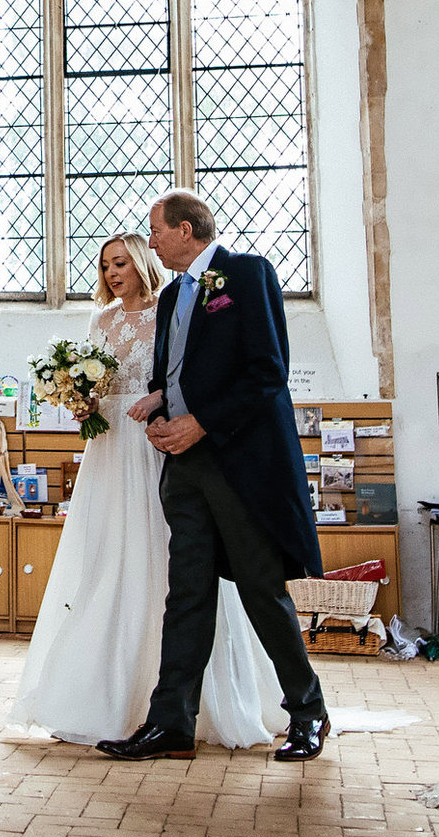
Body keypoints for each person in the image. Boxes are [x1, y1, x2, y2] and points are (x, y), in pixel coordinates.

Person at [7, 233, 282, 748]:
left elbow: (183, 372)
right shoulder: (101, 320)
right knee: (107, 557)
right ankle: (102, 694)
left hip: (154, 440)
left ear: (140, 263)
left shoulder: (171, 306)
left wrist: (156, 398)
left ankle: (178, 701)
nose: (113, 274)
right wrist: (81, 400)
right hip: (108, 447)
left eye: (121, 263)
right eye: (106, 265)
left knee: (167, 559)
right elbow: (97, 384)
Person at [97, 189, 328, 763]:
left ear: (184, 229)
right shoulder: (172, 293)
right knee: (188, 594)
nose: (149, 242)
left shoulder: (246, 274)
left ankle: (308, 712)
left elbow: (267, 374)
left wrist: (200, 423)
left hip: (236, 460)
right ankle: (170, 722)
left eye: (155, 230)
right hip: (183, 465)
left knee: (258, 589)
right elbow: (182, 369)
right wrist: (159, 402)